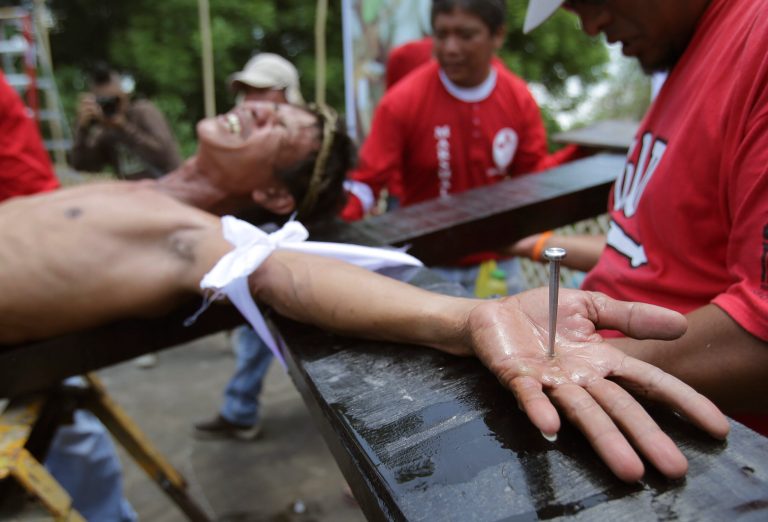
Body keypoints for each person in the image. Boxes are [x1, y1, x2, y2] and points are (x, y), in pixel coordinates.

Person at [0, 98, 730, 483]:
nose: (261, 108)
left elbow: (284, 270)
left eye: (281, 126)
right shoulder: (144, 190)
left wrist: (468, 317)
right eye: (269, 106)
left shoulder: (193, 234)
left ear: (270, 194)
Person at [522, 0, 768, 432]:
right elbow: (655, 253)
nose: (590, 24)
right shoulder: (689, 53)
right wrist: (535, 244)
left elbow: (761, 335)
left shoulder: (757, 40)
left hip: (707, 451)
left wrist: (572, 365)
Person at [342, 0, 576, 295]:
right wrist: (331, 230)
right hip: (427, 263)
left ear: (498, 35)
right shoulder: (402, 100)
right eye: (441, 35)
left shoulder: (519, 99)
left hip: (498, 263)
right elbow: (366, 182)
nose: (451, 48)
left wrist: (580, 155)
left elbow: (532, 180)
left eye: (466, 35)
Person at [1, 69, 137, 522]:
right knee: (72, 426)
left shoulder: (144, 115)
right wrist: (86, 127)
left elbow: (165, 155)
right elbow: (81, 161)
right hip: (29, 255)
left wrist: (124, 127)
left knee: (73, 428)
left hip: (38, 249)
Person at [194, 53, 307, 441]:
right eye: (246, 92)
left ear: (286, 94)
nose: (249, 103)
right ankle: (240, 409)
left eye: (261, 92)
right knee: (256, 333)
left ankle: (241, 409)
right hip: (251, 246)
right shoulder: (239, 131)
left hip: (292, 247)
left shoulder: (305, 138)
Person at [70, 64, 181, 180]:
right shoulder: (105, 132)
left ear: (124, 95)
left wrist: (124, 127)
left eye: (113, 100)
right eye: (103, 102)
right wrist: (82, 128)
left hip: (167, 189)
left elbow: (163, 154)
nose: (110, 106)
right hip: (136, 195)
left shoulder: (143, 111)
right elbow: (82, 166)